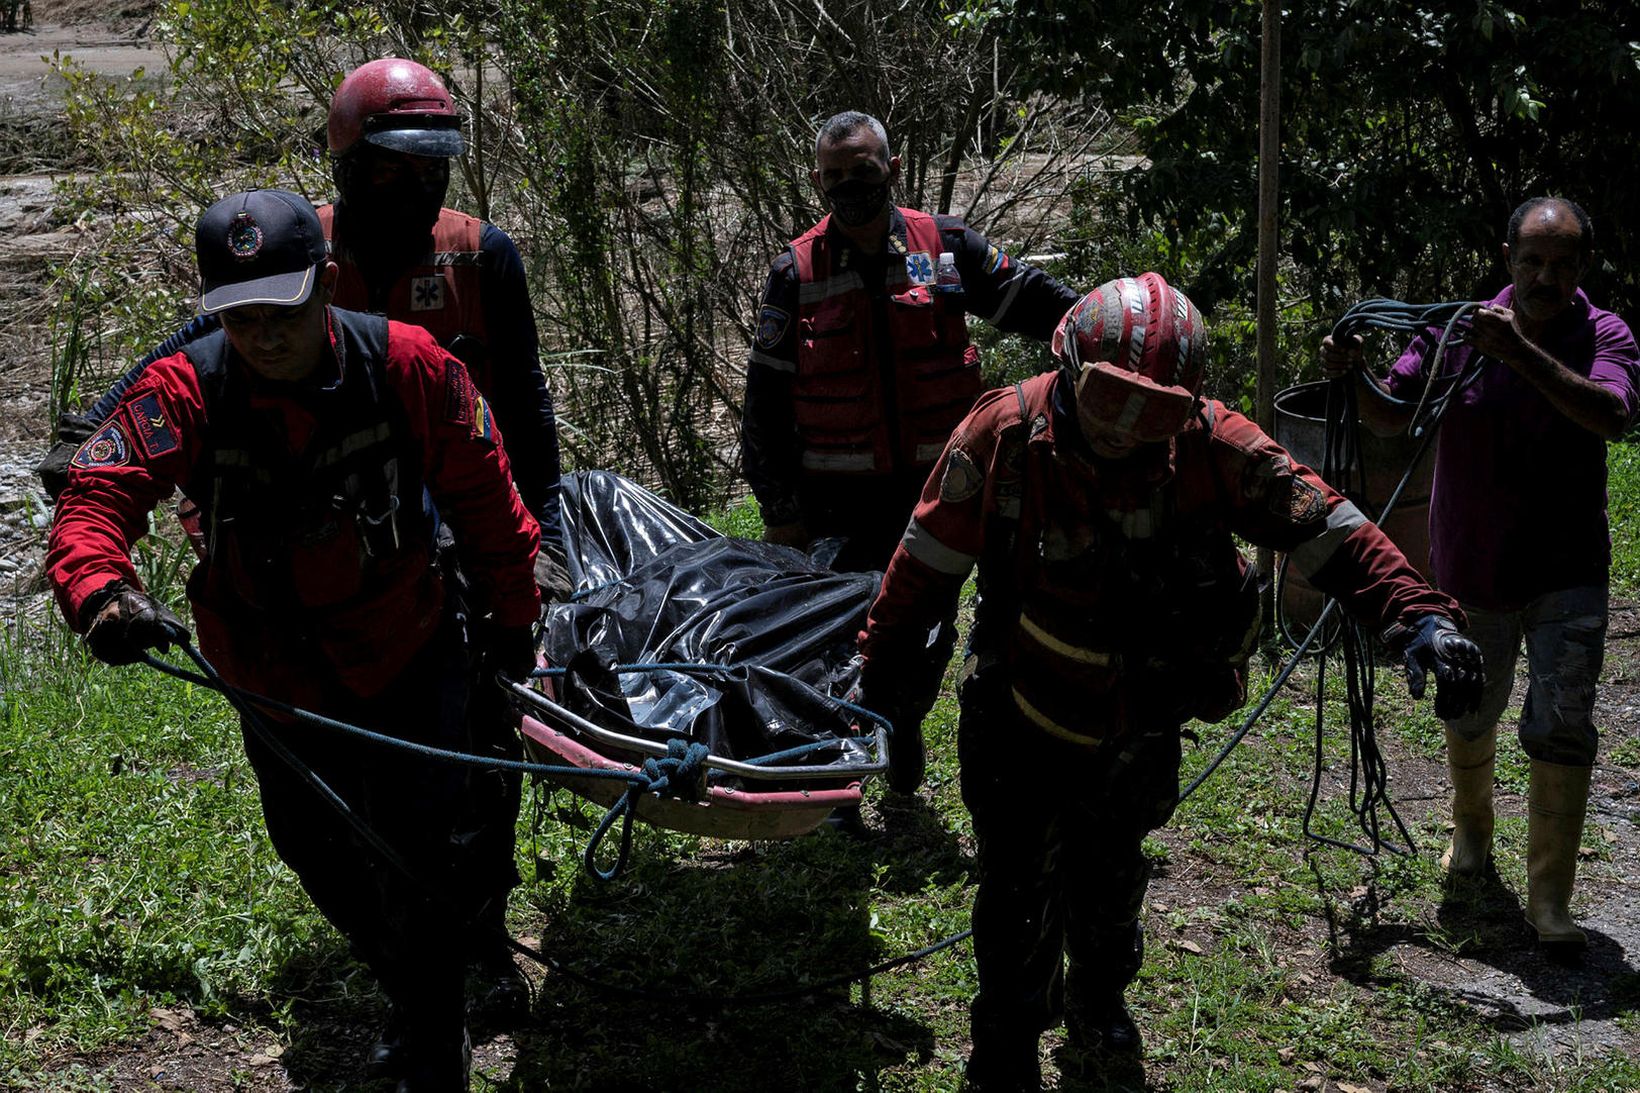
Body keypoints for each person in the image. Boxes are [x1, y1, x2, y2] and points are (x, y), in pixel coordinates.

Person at [859, 273, 1484, 1090]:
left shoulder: (1212, 446)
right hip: (1021, 714)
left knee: (1111, 883)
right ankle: (1006, 1043)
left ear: (1185, 404)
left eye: (1149, 411)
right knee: (1013, 897)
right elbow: (920, 570)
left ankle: (1098, 1004)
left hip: (1137, 727)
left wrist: (1421, 615)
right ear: (1069, 364)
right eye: (1109, 399)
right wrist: (878, 672)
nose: (1122, 430)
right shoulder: (1003, 435)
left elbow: (1329, 526)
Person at [35, 57, 555, 1032]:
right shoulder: (221, 333)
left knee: (457, 807)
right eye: (244, 317)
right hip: (270, 652)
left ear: (323, 289)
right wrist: (99, 584)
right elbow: (114, 469)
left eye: (285, 311)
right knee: (316, 843)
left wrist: (520, 600)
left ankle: (450, 968)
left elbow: (504, 459)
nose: (265, 334)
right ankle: (407, 958)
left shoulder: (439, 319)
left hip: (414, 611)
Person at [1320, 196, 1640, 953]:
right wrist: (1355, 376)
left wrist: (1520, 354)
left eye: (1561, 264)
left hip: (1568, 569)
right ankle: (1471, 836)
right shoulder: (1456, 330)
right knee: (1469, 708)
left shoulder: (1605, 334)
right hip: (1472, 564)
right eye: (1531, 260)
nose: (1544, 276)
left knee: (1562, 722)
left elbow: (1613, 415)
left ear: (1581, 269)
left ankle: (1549, 898)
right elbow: (1393, 414)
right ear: (1507, 258)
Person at [740, 110, 1079, 792]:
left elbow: (1036, 302)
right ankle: (836, 784)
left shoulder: (942, 248)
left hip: (937, 497)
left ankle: (901, 744)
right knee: (839, 642)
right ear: (816, 181)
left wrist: (1108, 325)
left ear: (891, 170)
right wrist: (779, 508)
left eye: (862, 171)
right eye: (834, 176)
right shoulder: (796, 272)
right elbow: (764, 405)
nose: (849, 186)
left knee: (923, 641)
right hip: (836, 505)